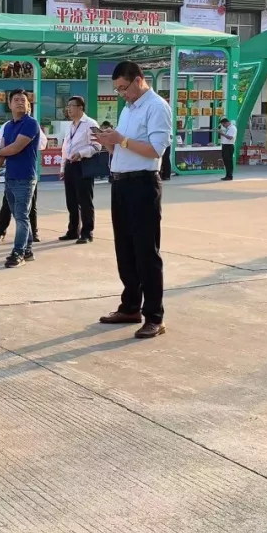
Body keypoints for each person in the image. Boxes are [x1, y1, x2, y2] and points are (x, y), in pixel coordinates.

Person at [93, 61, 169, 339]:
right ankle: (130, 306)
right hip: (121, 183)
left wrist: (122, 140)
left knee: (146, 252)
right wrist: (109, 143)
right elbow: (123, 149)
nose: (122, 94)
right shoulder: (128, 109)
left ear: (139, 80)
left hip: (142, 185)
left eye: (124, 88)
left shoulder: (157, 107)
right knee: (124, 250)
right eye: (118, 90)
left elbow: (156, 150)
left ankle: (154, 316)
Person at [0, 89, 40, 268]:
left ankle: (18, 253)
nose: (20, 102)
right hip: (10, 177)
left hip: (25, 178)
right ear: (9, 104)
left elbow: (15, 148)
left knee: (22, 216)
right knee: (19, 216)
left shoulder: (31, 123)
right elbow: (2, 152)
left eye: (23, 100)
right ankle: (28, 250)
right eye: (16, 100)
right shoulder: (8, 126)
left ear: (28, 105)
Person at [59, 96, 100, 244]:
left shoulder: (90, 124)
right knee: (71, 201)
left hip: (83, 165)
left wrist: (81, 153)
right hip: (70, 165)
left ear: (80, 108)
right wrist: (63, 167)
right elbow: (65, 148)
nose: (68, 109)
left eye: (72, 106)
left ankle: (87, 232)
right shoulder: (70, 126)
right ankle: (73, 231)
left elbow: (97, 146)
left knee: (85, 201)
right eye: (68, 106)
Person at [219, 117, 237, 181]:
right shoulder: (228, 129)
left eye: (223, 125)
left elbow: (230, 137)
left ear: (226, 123)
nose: (224, 126)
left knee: (229, 161)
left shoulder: (232, 128)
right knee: (226, 161)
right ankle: (227, 175)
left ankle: (229, 176)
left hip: (229, 146)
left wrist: (222, 134)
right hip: (225, 145)